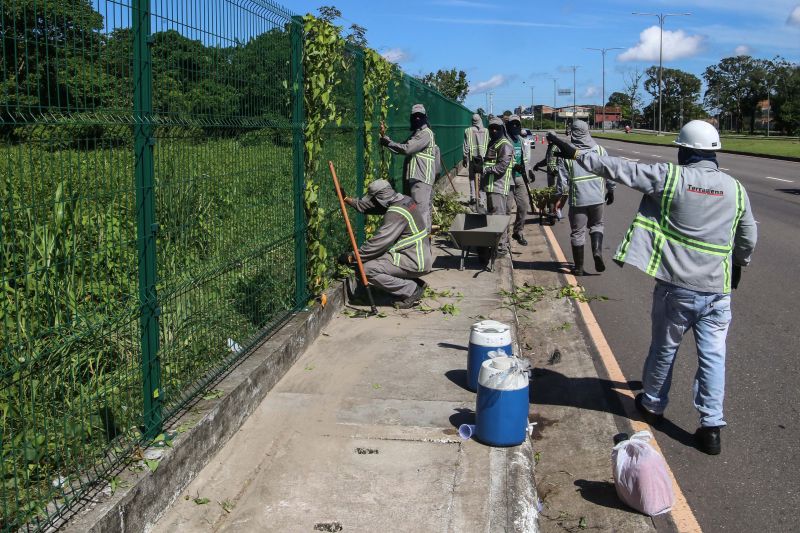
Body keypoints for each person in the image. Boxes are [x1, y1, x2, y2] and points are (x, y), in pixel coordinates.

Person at [546, 120, 757, 455]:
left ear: (684, 150)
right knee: (714, 357)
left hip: (678, 290)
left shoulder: (670, 177)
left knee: (664, 348)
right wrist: (739, 265)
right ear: (714, 152)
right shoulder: (735, 188)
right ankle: (712, 426)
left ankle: (654, 404)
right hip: (718, 292)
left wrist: (574, 153)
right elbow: (748, 237)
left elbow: (619, 169)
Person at [339, 179, 431, 309]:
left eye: (374, 199)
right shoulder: (404, 200)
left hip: (413, 259)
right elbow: (371, 207)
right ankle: (413, 282)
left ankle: (411, 289)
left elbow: (379, 243)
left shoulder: (396, 213)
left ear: (381, 198)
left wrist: (353, 256)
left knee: (366, 270)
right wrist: (347, 199)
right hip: (420, 254)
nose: (372, 202)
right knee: (373, 260)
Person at [555, 120, 615, 275]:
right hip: (597, 199)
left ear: (572, 132)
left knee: (578, 232)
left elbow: (562, 182)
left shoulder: (566, 153)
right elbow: (610, 171)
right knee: (597, 225)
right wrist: (611, 190)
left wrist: (560, 200)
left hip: (578, 200)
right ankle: (596, 252)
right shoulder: (600, 150)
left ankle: (579, 268)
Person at [380, 104, 438, 232]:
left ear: (425, 117)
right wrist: (387, 141)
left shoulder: (425, 134)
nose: (417, 119)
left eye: (420, 116)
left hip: (421, 178)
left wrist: (388, 143)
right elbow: (402, 147)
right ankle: (425, 242)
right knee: (424, 211)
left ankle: (421, 245)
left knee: (421, 212)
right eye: (415, 116)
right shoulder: (417, 134)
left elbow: (407, 149)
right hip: (419, 178)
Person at [481, 116, 514, 255]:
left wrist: (485, 169)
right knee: (495, 217)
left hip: (498, 187)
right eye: (491, 128)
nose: (494, 130)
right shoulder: (494, 143)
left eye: (497, 128)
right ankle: (500, 245)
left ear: (502, 129)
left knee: (498, 218)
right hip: (491, 186)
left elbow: (501, 167)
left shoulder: (504, 144)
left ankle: (501, 248)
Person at [505, 115, 534, 245]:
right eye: (513, 124)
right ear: (508, 126)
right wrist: (511, 165)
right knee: (506, 209)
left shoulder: (522, 141)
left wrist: (529, 171)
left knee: (523, 206)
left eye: (518, 124)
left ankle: (518, 231)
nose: (515, 127)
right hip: (507, 179)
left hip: (520, 178)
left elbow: (525, 159)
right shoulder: (504, 141)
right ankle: (504, 237)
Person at [463, 113, 488, 207]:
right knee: (483, 179)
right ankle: (482, 200)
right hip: (483, 158)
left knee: (472, 178)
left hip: (472, 158)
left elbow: (466, 146)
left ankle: (473, 197)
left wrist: (464, 158)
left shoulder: (468, 131)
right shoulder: (486, 131)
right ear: (480, 120)